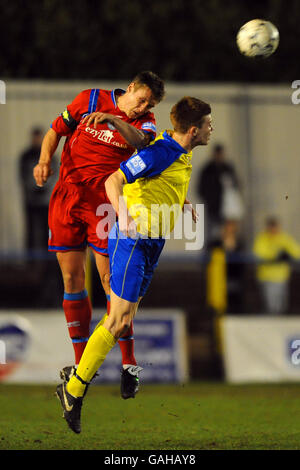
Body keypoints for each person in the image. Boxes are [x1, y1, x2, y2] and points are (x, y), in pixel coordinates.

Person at [55, 96, 213, 433]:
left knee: (123, 322)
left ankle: (76, 379)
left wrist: (179, 200)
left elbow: (156, 180)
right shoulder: (162, 151)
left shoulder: (176, 152)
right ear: (195, 129)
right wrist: (124, 216)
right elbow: (115, 180)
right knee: (118, 320)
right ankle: (74, 389)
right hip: (134, 241)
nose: (213, 129)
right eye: (209, 124)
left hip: (152, 243)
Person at [33, 71, 165, 398]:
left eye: (150, 103)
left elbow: (140, 141)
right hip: (67, 197)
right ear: (130, 87)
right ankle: (81, 368)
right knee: (72, 280)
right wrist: (43, 161)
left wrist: (114, 120)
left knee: (112, 284)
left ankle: (129, 363)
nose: (143, 106)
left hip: (104, 205)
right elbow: (55, 130)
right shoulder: (90, 99)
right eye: (141, 98)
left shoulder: (145, 123)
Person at [20, 127, 58, 256]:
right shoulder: (25, 156)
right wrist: (36, 188)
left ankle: (48, 259)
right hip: (31, 201)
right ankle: (30, 259)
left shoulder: (51, 155)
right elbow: (23, 177)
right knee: (31, 230)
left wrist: (44, 188)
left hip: (46, 202)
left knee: (47, 231)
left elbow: (55, 175)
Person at [197, 144, 242, 245]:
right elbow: (200, 189)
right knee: (213, 236)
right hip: (213, 210)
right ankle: (212, 257)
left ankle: (228, 258)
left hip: (227, 211)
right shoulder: (208, 170)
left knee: (228, 237)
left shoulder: (228, 168)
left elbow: (236, 187)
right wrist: (210, 201)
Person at [253, 216, 300, 314]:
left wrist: (288, 254)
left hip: (281, 277)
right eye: (272, 227)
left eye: (276, 226)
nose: (274, 229)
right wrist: (276, 254)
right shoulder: (262, 238)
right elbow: (259, 253)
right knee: (271, 306)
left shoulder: (283, 238)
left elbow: (296, 252)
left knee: (281, 305)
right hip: (267, 277)